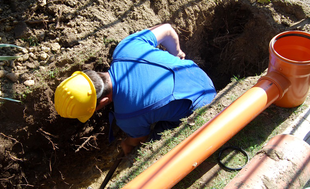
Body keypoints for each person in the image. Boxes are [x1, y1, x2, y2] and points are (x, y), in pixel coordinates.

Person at [54, 23, 216, 155]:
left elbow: (141, 138)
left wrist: (127, 144)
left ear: (103, 101)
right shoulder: (125, 48)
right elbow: (167, 30)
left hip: (205, 105)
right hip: (197, 73)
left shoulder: (126, 117)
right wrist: (177, 54)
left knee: (156, 137)